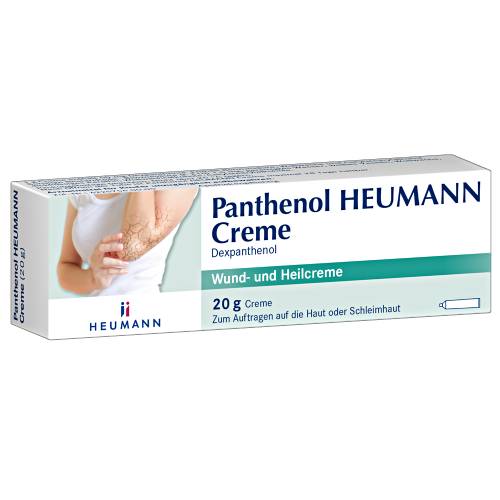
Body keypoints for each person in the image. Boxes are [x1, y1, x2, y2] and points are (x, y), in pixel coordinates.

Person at [57, 188, 198, 296]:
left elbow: (132, 247)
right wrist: (93, 278)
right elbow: (66, 267)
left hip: (143, 314)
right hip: (96, 316)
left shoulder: (178, 177)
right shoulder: (83, 186)